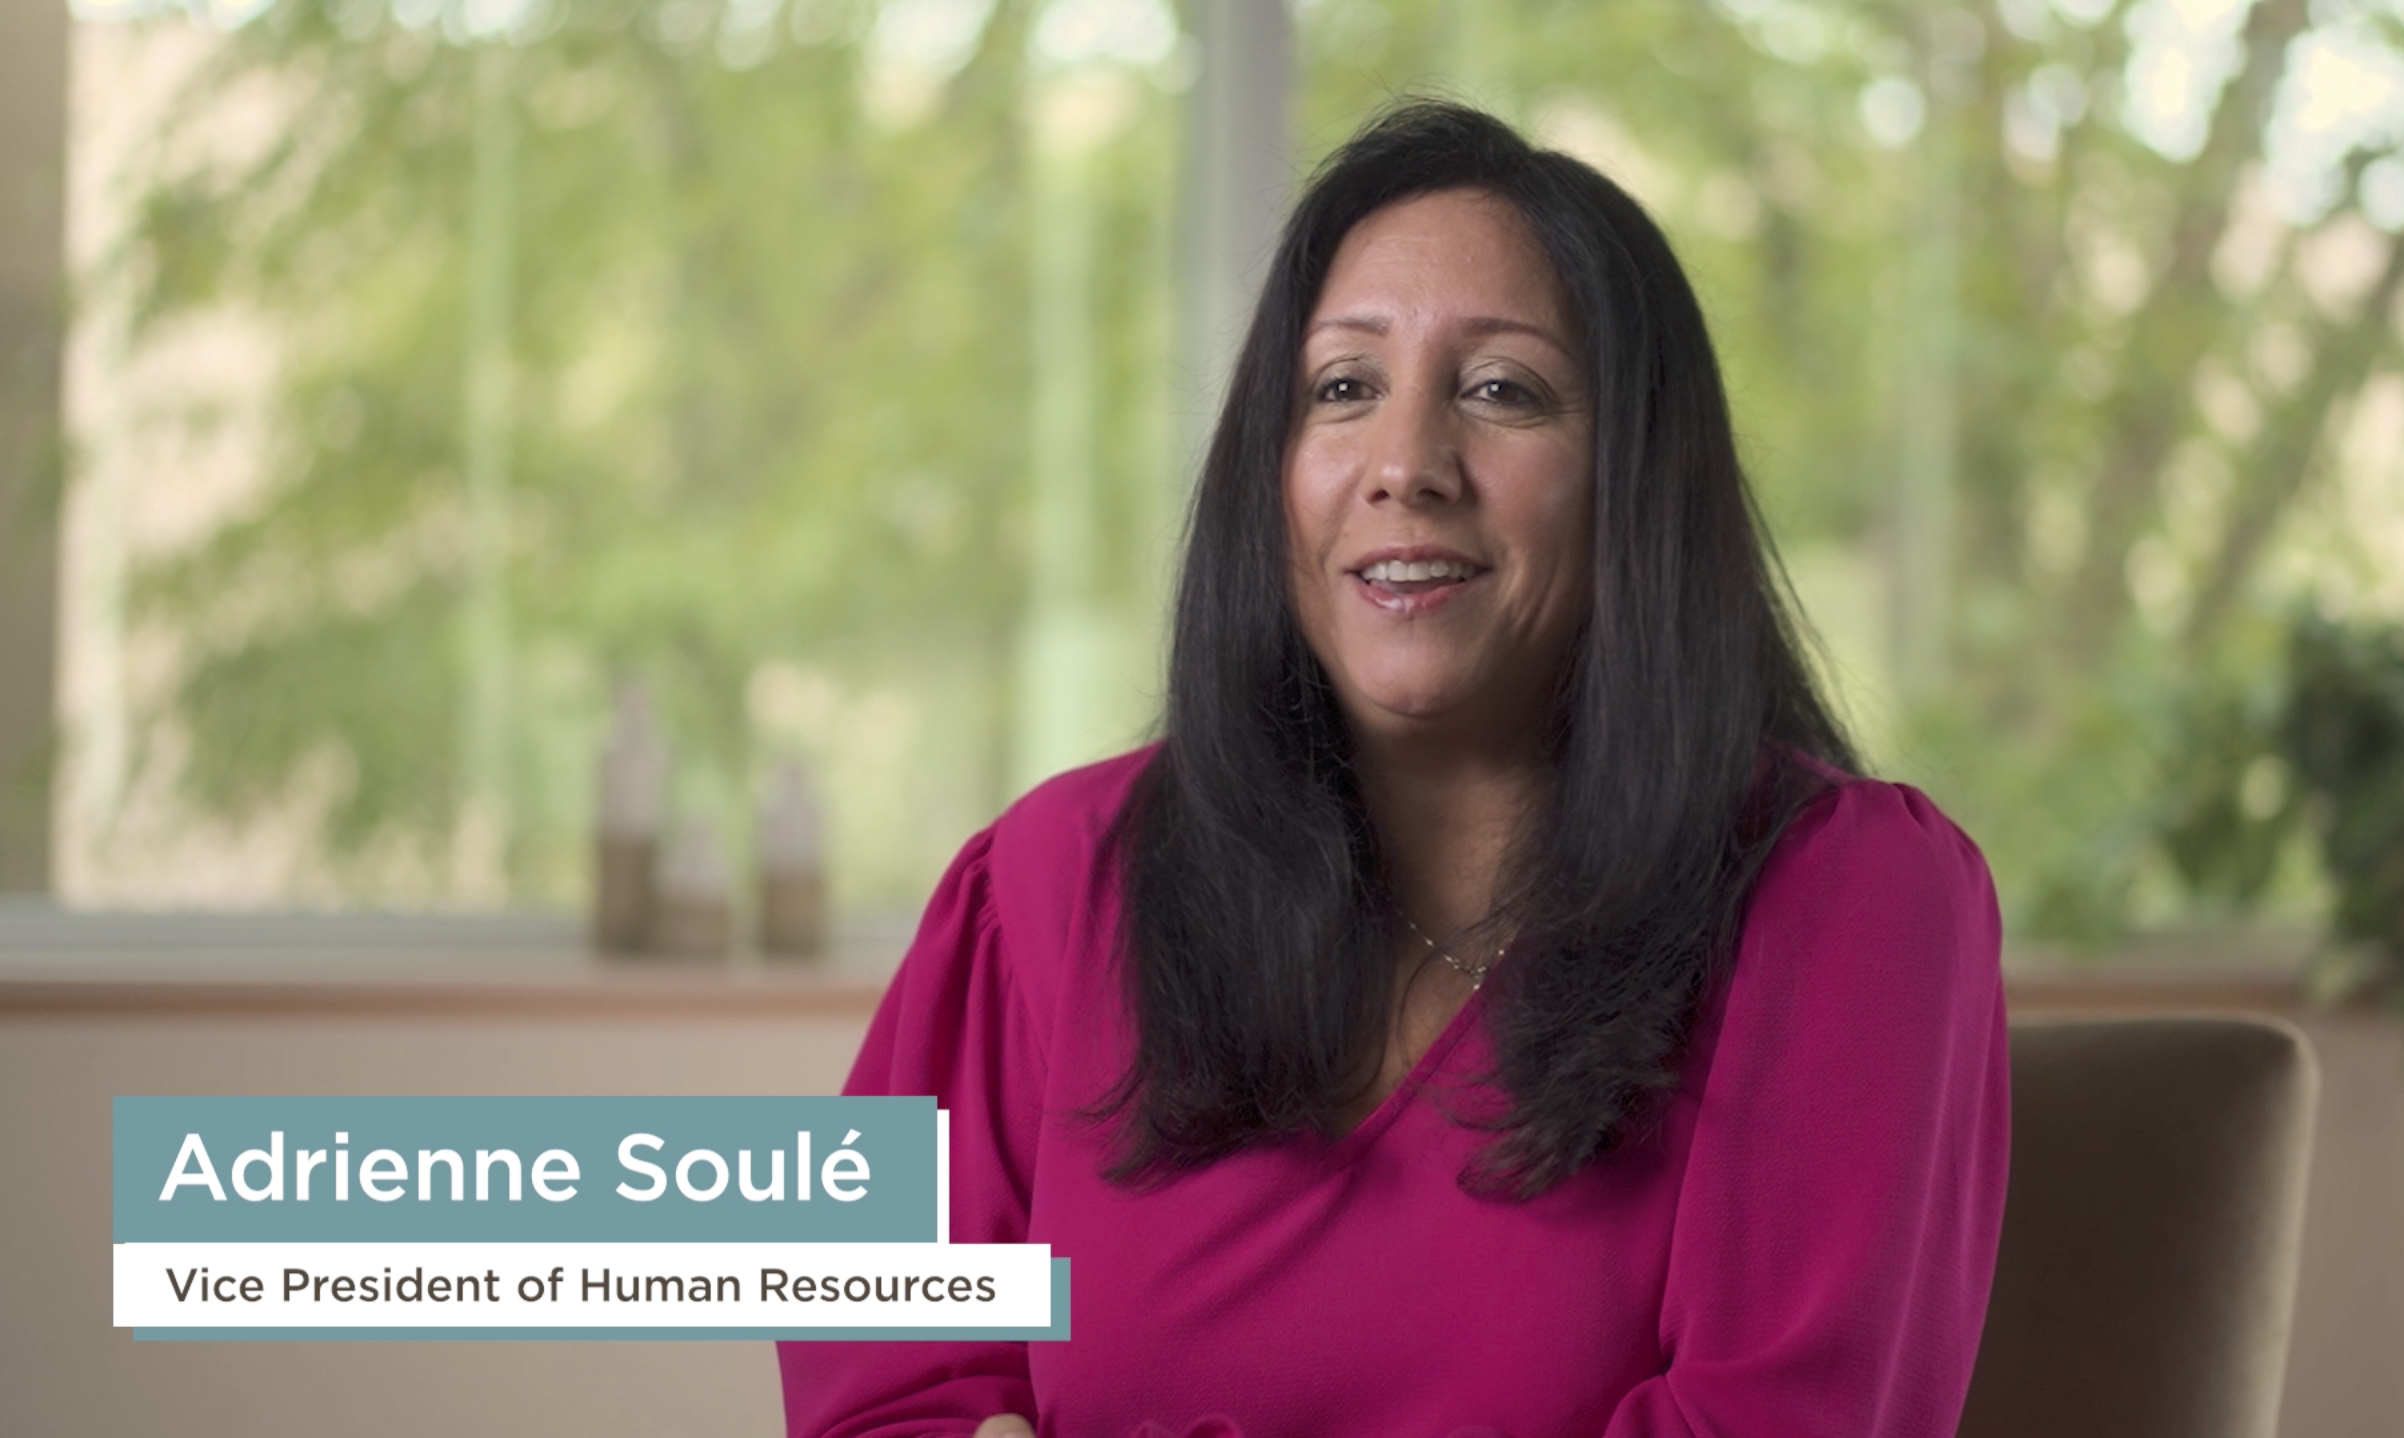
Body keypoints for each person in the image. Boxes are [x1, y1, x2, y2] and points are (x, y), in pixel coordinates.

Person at [780, 100, 2008, 1438]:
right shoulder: (1047, 887)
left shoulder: (1850, 899)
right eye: (1343, 389)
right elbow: (877, 1385)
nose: (1406, 466)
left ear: (1636, 479)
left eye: (1502, 391)